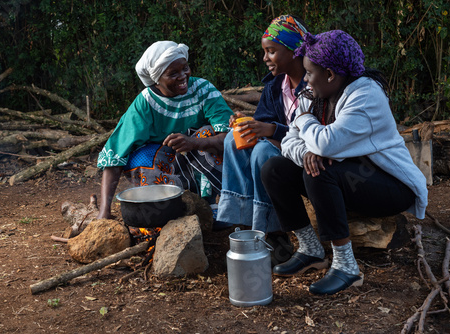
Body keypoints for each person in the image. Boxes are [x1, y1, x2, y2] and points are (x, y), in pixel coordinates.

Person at [261, 30, 428, 295]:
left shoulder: (366, 96)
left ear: (330, 74)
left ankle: (346, 266)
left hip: (390, 184)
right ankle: (311, 250)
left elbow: (326, 143)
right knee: (274, 169)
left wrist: (304, 120)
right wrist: (306, 152)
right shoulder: (315, 91)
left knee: (319, 172)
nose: (305, 79)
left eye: (310, 73)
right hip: (351, 178)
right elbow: (291, 141)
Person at [96, 41, 233, 220]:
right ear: (157, 79)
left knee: (207, 133)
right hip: (166, 167)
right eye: (173, 73)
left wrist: (193, 142)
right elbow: (115, 154)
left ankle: (214, 205)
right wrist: (104, 211)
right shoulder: (145, 103)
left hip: (200, 161)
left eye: (185, 68)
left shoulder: (203, 90)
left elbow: (231, 137)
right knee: (141, 158)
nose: (183, 76)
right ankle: (165, 207)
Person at [216, 15, 308, 261]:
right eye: (265, 52)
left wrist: (272, 130)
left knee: (263, 153)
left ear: (293, 51)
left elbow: (317, 135)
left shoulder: (316, 83)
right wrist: (247, 123)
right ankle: (246, 225)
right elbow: (264, 122)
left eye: (271, 51)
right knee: (231, 140)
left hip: (307, 159)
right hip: (282, 150)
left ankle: (275, 232)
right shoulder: (276, 86)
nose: (265, 58)